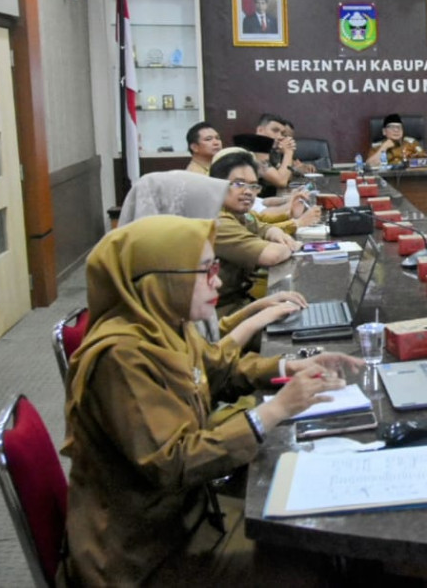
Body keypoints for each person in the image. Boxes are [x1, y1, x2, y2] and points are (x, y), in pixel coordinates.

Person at [61, 215, 360, 586]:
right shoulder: (122, 357)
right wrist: (275, 410)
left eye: (215, 267)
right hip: (145, 557)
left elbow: (217, 370)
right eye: (205, 271)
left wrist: (291, 365)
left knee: (313, 534)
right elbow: (175, 462)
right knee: (310, 567)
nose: (217, 280)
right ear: (161, 280)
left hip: (189, 519)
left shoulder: (165, 325)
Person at [117, 170, 311, 348]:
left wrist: (259, 309)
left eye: (253, 185)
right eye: (237, 184)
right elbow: (206, 367)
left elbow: (208, 344)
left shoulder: (168, 278)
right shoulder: (132, 340)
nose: (214, 217)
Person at [208, 150, 302, 320]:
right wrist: (291, 245)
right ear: (216, 185)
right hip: (219, 312)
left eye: (253, 185)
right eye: (238, 184)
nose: (248, 191)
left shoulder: (238, 213)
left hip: (242, 300)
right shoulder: (217, 221)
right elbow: (271, 256)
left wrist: (275, 232)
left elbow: (262, 226)